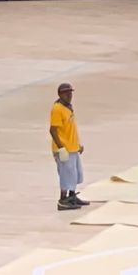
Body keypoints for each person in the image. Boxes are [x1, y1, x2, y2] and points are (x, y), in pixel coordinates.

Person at [49, 83, 87, 211]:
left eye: (70, 93)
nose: (69, 96)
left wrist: (77, 145)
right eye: (66, 93)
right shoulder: (57, 109)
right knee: (66, 175)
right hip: (64, 149)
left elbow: (71, 129)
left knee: (75, 174)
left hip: (72, 147)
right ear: (60, 94)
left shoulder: (68, 107)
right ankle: (63, 200)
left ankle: (72, 196)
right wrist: (61, 148)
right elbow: (53, 130)